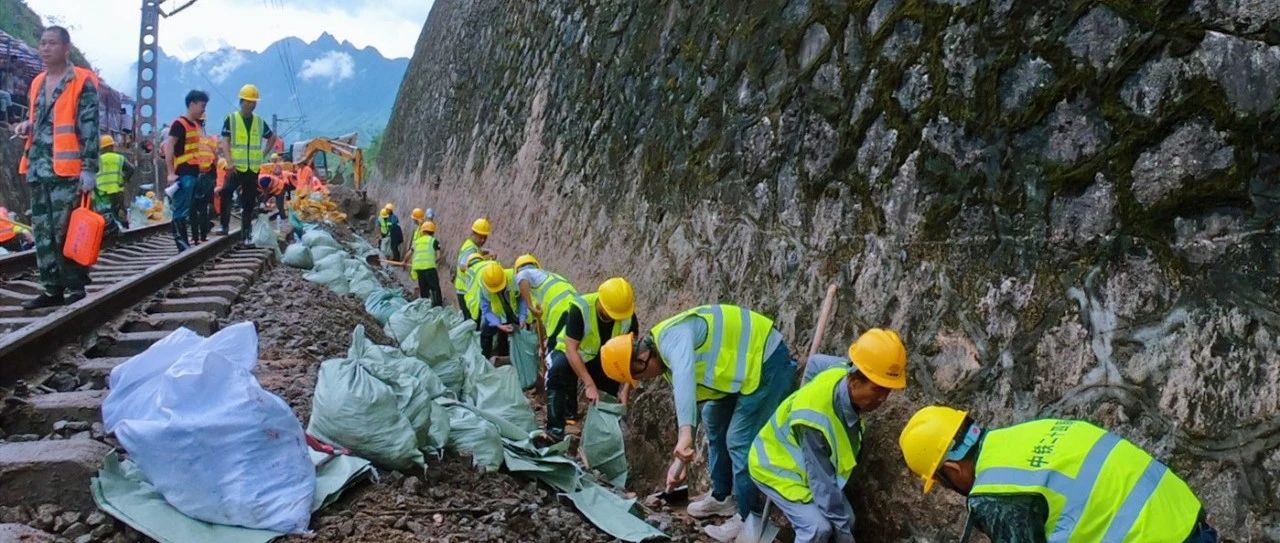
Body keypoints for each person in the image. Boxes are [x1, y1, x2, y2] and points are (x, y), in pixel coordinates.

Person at [600, 304, 797, 542]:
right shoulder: (662, 357)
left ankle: (749, 519)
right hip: (742, 372)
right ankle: (723, 498)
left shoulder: (671, 338)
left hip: (766, 360)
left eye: (640, 376)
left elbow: (684, 375)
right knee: (712, 418)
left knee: (738, 441)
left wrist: (684, 436)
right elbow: (691, 401)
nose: (645, 380)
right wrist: (679, 463)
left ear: (642, 358)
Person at [898, 406, 1219, 543]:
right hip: (1184, 517)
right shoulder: (1027, 433)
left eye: (940, 481)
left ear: (952, 470)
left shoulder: (994, 496)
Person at [747, 329, 908, 543]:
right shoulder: (814, 421)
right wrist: (844, 536)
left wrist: (807, 391)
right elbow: (821, 481)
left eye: (887, 391)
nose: (882, 399)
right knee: (817, 528)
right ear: (854, 381)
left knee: (847, 520)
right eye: (877, 389)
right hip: (774, 466)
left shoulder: (842, 368)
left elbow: (814, 362)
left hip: (803, 465)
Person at [12, 26, 99, 309]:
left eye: (51, 43)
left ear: (66, 48)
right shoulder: (37, 82)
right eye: (42, 43)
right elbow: (37, 119)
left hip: (68, 170)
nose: (45, 48)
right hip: (38, 167)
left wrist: (89, 168)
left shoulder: (82, 80)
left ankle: (75, 285)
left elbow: (89, 127)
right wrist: (27, 125)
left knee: (66, 230)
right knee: (42, 231)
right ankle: (51, 289)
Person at [544, 277, 637, 441]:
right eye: (611, 313)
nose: (615, 318)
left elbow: (630, 356)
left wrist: (625, 389)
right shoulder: (581, 308)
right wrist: (589, 384)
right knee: (558, 371)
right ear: (601, 302)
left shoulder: (627, 316)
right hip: (573, 354)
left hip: (603, 359)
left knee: (609, 389)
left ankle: (598, 438)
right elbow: (571, 349)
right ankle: (555, 430)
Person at [219, 83, 277, 243]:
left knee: (249, 202)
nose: (252, 104)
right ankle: (224, 226)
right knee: (226, 192)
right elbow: (225, 141)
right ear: (242, 101)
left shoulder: (259, 121)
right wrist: (229, 162)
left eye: (254, 102)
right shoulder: (231, 119)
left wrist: (263, 154)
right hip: (236, 168)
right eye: (249, 101)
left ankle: (246, 234)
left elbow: (272, 137)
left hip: (252, 168)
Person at [162, 90, 211, 251]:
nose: (204, 109)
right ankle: (182, 245)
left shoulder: (195, 125)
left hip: (193, 173)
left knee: (187, 208)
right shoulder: (179, 124)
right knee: (181, 209)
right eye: (202, 106)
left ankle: (184, 244)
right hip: (183, 173)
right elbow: (169, 146)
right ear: (192, 104)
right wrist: (170, 172)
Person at [512, 253, 578, 352]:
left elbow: (522, 276)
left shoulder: (526, 273)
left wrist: (530, 307)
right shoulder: (548, 275)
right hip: (578, 308)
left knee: (555, 352)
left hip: (560, 313)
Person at [477, 262, 524, 359]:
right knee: (486, 330)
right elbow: (486, 311)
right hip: (499, 316)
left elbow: (522, 298)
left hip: (515, 313)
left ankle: (519, 357)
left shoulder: (513, 277)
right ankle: (488, 359)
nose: (498, 291)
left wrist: (523, 317)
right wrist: (499, 325)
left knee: (522, 334)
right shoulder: (484, 288)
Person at [454, 218, 491, 317]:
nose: (483, 240)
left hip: (467, 290)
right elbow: (462, 265)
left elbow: (476, 253)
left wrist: (484, 251)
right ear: (474, 234)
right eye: (480, 237)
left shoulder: (473, 245)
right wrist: (482, 261)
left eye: (485, 238)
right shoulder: (470, 248)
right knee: (471, 321)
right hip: (464, 290)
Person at [96, 134, 134, 230]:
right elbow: (131, 169)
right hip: (117, 190)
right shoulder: (119, 158)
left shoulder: (97, 160)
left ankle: (109, 230)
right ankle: (125, 229)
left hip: (101, 193)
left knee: (105, 213)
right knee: (120, 211)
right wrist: (125, 180)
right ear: (112, 146)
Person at [404, 220, 444, 306]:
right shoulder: (434, 241)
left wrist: (404, 261)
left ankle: (425, 305)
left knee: (423, 289)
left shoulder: (417, 242)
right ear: (433, 232)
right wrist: (436, 261)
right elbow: (439, 255)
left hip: (419, 269)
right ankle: (438, 306)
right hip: (429, 268)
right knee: (435, 288)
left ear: (422, 231)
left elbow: (409, 253)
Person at [191, 115, 217, 243]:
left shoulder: (187, 138)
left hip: (191, 176)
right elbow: (215, 160)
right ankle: (203, 236)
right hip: (206, 177)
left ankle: (194, 238)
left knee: (192, 208)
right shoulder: (210, 140)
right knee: (203, 209)